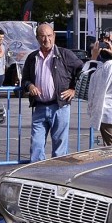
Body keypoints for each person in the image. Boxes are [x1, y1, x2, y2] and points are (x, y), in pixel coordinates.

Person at [22, 23, 84, 162]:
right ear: (37, 38)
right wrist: (30, 85)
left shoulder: (65, 54)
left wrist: (74, 89)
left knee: (60, 146)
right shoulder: (32, 58)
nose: (46, 40)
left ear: (54, 35)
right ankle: (37, 174)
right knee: (36, 145)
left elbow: (82, 70)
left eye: (49, 36)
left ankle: (58, 175)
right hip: (39, 107)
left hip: (60, 107)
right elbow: (24, 79)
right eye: (43, 36)